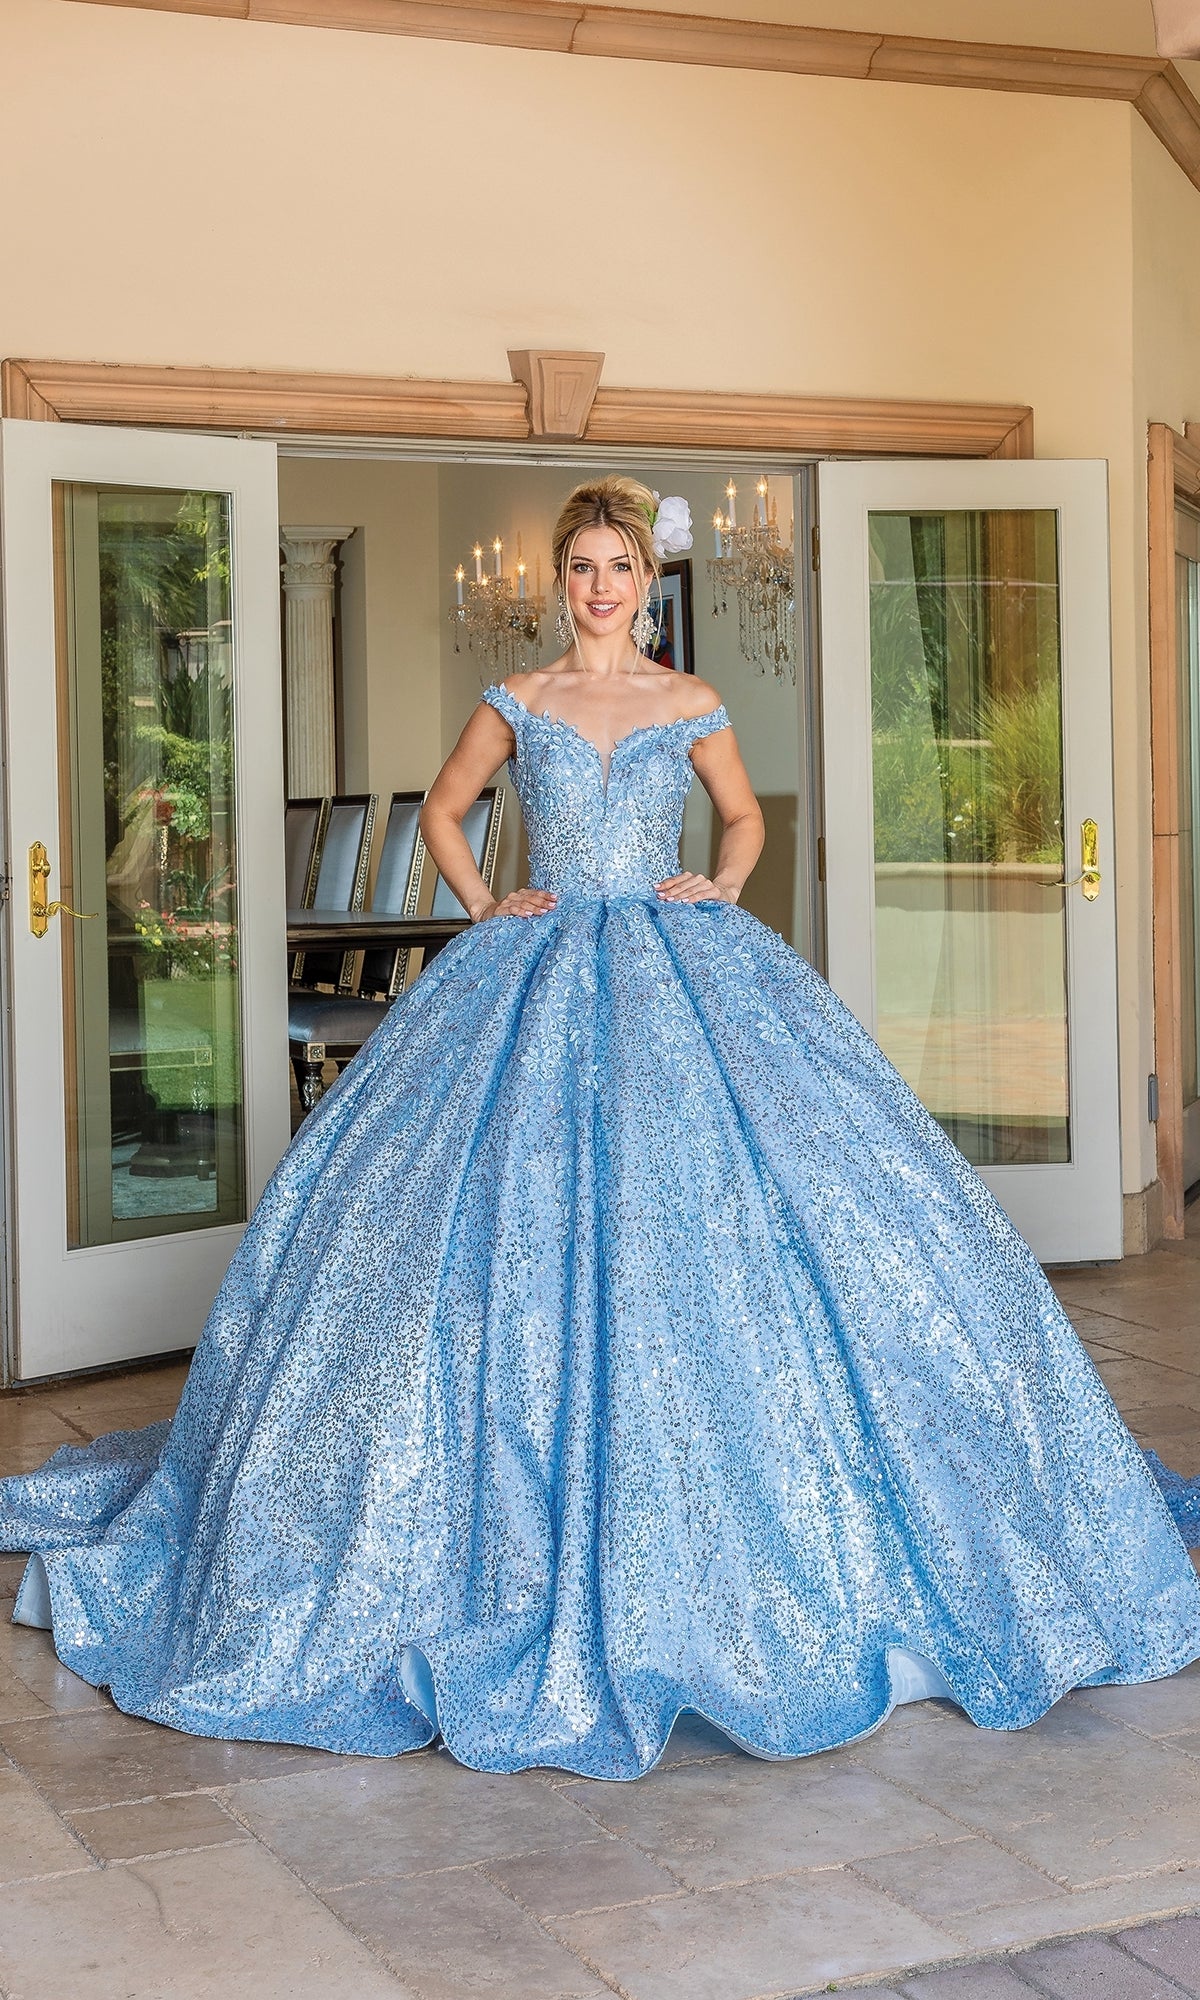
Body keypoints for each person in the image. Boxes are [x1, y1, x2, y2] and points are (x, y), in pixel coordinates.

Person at [3, 474, 1199, 1783]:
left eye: (617, 567)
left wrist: (722, 883)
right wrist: (484, 903)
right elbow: (448, 814)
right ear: (560, 582)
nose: (598, 588)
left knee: (738, 1215)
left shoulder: (690, 702)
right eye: (579, 568)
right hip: (535, 960)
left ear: (644, 578)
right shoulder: (520, 701)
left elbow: (741, 817)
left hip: (682, 961)